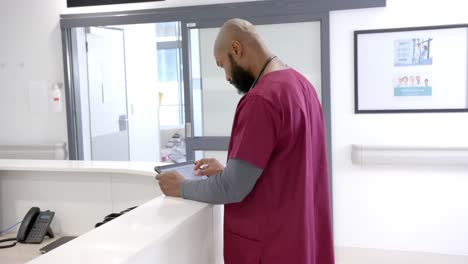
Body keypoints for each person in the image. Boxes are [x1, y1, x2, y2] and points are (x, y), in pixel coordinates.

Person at [156, 18, 334, 264]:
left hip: (272, 246)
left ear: (237, 49)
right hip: (301, 237)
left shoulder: (261, 99)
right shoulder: (302, 86)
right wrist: (231, 171)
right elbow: (288, 164)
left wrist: (181, 187)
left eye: (222, 65)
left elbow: (233, 188)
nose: (227, 77)